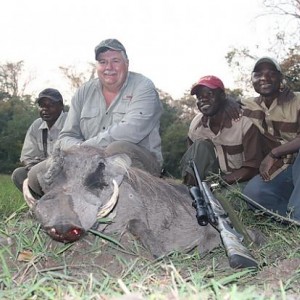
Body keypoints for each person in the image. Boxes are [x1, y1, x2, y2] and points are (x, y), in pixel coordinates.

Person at [27, 38, 163, 197]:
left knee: (117, 150)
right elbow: (66, 136)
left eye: (115, 61)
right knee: (33, 176)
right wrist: (79, 152)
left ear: (127, 63)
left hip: (138, 160)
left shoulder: (143, 87)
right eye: (103, 62)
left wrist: (85, 149)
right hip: (86, 161)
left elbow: (131, 131)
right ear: (97, 66)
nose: (109, 67)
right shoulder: (84, 91)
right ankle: (59, 209)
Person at [241, 57, 300, 221]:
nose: (264, 78)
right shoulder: (247, 105)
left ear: (281, 78)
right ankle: (290, 219)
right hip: (283, 167)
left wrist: (275, 153)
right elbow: (223, 102)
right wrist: (228, 103)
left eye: (271, 73)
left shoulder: (297, 100)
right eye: (258, 74)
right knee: (253, 194)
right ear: (252, 80)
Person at [180, 75, 264, 186]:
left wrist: (218, 183)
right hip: (209, 183)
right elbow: (191, 161)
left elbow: (252, 168)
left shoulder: (244, 123)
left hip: (240, 183)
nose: (203, 99)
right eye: (199, 97)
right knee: (200, 145)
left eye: (209, 94)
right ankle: (190, 192)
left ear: (223, 96)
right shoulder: (196, 124)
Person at [11, 88, 67, 192]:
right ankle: (41, 204)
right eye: (42, 105)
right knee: (19, 174)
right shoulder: (36, 125)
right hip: (45, 172)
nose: (45, 109)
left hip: (69, 174)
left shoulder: (71, 122)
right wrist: (33, 167)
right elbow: (27, 157)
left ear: (61, 106)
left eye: (50, 105)